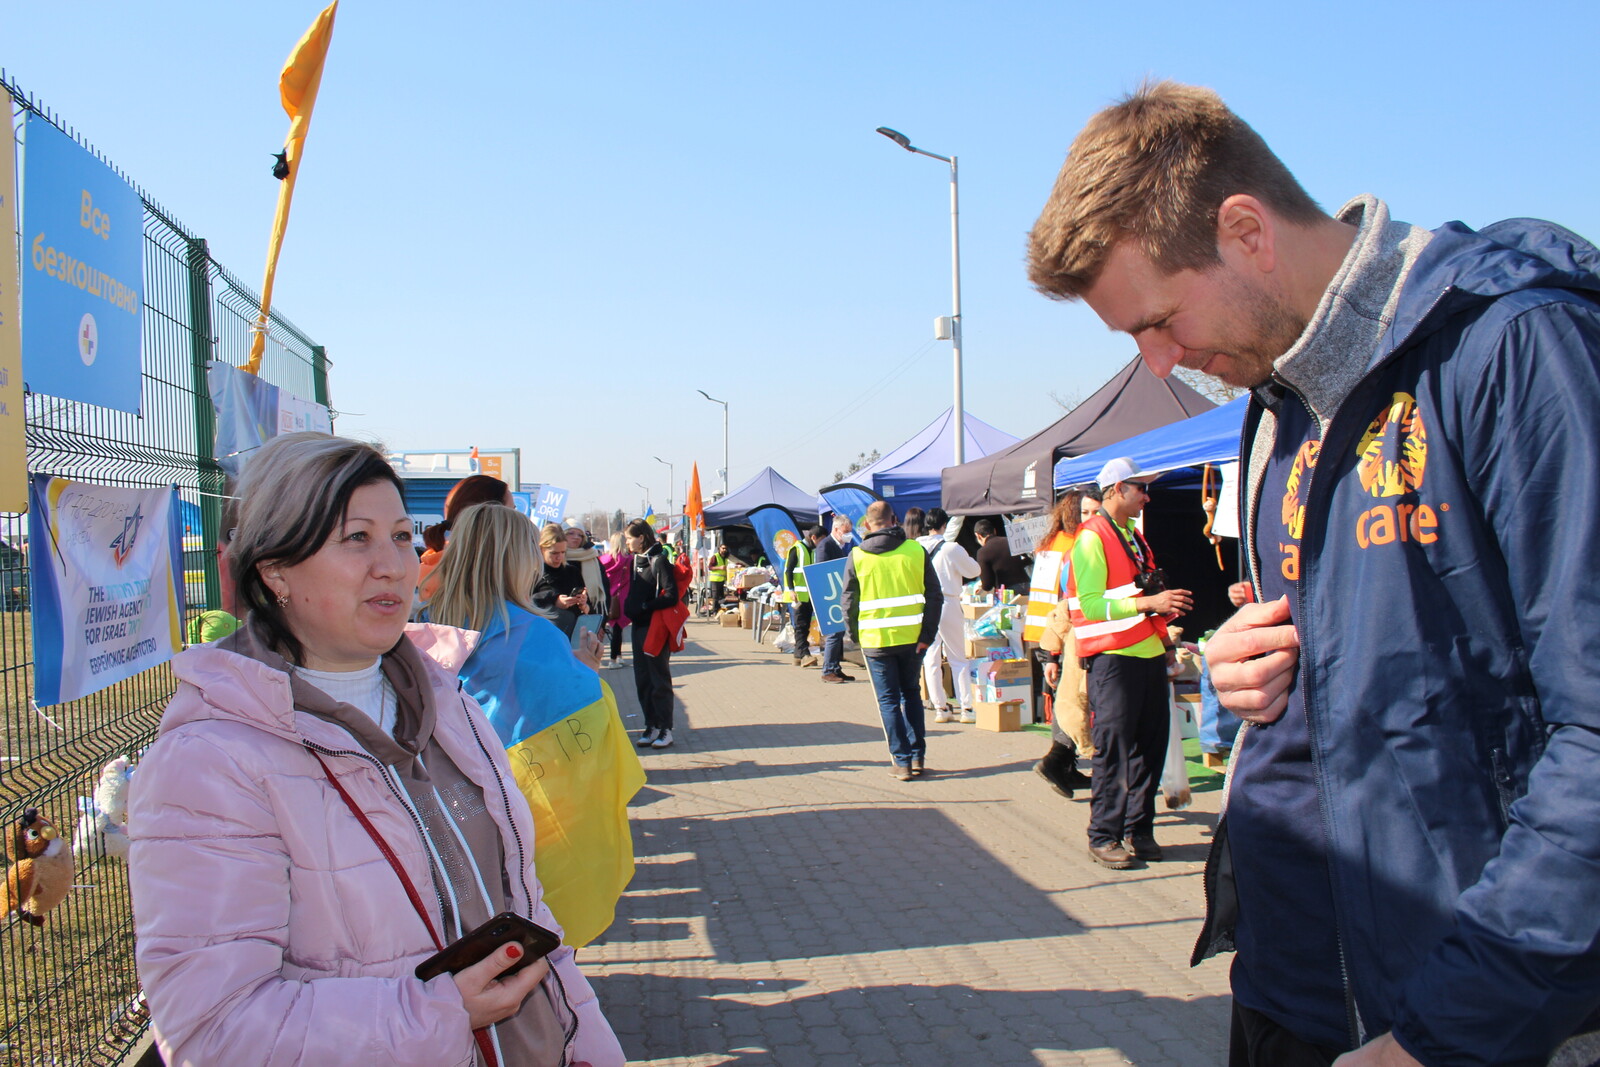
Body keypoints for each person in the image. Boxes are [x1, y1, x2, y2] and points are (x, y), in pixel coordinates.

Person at [1027, 80, 1600, 1065]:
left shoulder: (1510, 345)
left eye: (1155, 319)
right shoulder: (1272, 407)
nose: (1159, 362)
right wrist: (1246, 667)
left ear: (1246, 230)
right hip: (1291, 989)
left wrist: (1449, 1025)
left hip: (1456, 1010)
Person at [127, 432, 623, 1067]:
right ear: (274, 569)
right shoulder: (210, 762)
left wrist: (591, 1049)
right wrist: (438, 1014)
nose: (393, 564)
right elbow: (214, 1030)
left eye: (399, 536)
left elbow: (526, 914)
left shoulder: (449, 704)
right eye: (356, 538)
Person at [419, 503, 644, 949]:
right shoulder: (532, 632)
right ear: (519, 559)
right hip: (522, 814)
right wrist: (584, 672)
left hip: (448, 812)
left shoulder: (425, 625)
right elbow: (583, 719)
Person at [1066, 457, 1193, 871]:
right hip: (1112, 659)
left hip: (1147, 655)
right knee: (1115, 750)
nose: (1148, 496)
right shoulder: (1091, 538)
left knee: (1150, 749)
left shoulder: (1133, 536)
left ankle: (1140, 829)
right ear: (1118, 488)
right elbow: (1088, 605)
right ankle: (1104, 835)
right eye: (1141, 487)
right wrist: (1149, 602)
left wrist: (1164, 633)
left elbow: (1141, 589)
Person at [841, 501, 940, 782]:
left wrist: (854, 635)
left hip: (876, 641)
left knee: (888, 700)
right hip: (912, 640)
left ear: (868, 526)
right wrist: (927, 635)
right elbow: (935, 595)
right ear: (894, 520)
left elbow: (848, 601)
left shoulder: (858, 555)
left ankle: (902, 761)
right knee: (911, 694)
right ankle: (918, 756)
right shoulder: (915, 550)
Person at [1032, 489, 1096, 797]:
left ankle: (1065, 766)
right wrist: (1053, 652)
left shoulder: (1049, 546)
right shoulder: (1078, 546)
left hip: (1047, 631)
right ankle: (1058, 763)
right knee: (1074, 703)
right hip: (1065, 632)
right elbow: (1068, 600)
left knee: (1065, 701)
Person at [916, 508, 980, 724]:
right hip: (948, 601)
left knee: (931, 658)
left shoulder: (916, 547)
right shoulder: (951, 548)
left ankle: (940, 708)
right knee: (957, 657)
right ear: (944, 525)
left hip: (924, 604)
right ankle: (966, 708)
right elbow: (974, 571)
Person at [625, 520, 679, 749]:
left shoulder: (659, 561)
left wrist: (647, 607)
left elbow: (672, 596)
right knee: (642, 679)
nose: (627, 542)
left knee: (659, 678)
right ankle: (651, 725)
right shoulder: (634, 561)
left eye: (629, 537)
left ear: (642, 537)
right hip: (637, 627)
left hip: (654, 628)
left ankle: (666, 728)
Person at [417, 474, 513, 597]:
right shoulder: (477, 580)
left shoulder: (433, 566)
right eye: (512, 511)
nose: (517, 519)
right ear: (491, 516)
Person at [531, 523, 590, 639]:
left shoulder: (572, 571)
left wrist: (583, 604)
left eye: (563, 552)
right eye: (554, 553)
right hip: (544, 636)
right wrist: (554, 600)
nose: (559, 557)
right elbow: (525, 603)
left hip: (572, 634)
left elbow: (588, 609)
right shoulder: (532, 573)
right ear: (541, 549)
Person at [816, 515, 856, 683]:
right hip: (830, 596)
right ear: (836, 529)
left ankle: (836, 668)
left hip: (839, 594)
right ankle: (828, 670)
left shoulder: (838, 546)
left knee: (839, 631)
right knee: (834, 633)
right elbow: (823, 572)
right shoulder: (825, 546)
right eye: (845, 532)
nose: (848, 535)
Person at [784, 525, 824, 668]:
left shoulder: (813, 551)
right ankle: (805, 654)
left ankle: (797, 655)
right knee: (800, 625)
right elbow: (788, 571)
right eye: (821, 539)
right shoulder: (797, 549)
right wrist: (791, 590)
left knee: (805, 625)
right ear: (813, 537)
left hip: (809, 595)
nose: (822, 543)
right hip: (798, 595)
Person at [563, 521, 610, 626]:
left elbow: (604, 590)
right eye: (571, 533)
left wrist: (601, 624)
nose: (576, 537)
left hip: (589, 615)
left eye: (580, 535)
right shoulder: (556, 558)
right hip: (561, 617)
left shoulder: (592, 558)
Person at [599, 531, 632, 669]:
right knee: (618, 629)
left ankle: (617, 656)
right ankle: (614, 659)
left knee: (612, 628)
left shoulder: (603, 560)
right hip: (622, 596)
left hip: (608, 597)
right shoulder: (629, 559)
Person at [973, 518, 1030, 593]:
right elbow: (1028, 559)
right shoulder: (1011, 541)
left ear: (978, 536)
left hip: (1008, 593)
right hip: (1028, 586)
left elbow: (987, 585)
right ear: (994, 531)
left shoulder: (982, 552)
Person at [708, 542, 730, 609]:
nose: (724, 550)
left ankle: (719, 610)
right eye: (723, 548)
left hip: (722, 580)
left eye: (725, 548)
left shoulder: (726, 558)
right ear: (719, 549)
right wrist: (719, 567)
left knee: (721, 596)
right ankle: (714, 610)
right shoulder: (715, 556)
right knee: (715, 596)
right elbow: (710, 567)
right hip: (715, 580)